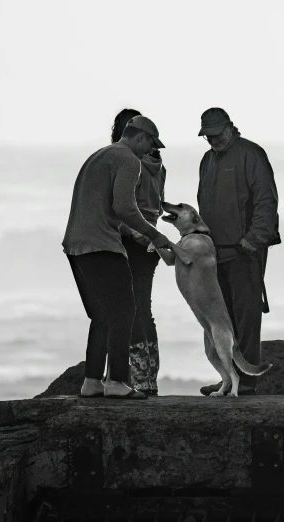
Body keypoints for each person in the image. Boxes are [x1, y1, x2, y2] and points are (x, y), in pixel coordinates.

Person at [62, 115, 172, 400]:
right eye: (149, 143)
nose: (149, 150)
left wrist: (132, 233)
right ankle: (117, 382)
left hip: (76, 246)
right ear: (139, 137)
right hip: (102, 246)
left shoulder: (98, 156)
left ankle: (92, 381)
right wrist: (155, 235)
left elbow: (101, 207)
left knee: (101, 316)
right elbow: (124, 206)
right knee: (125, 311)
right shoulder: (128, 160)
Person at [195, 108, 281, 396]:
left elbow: (266, 201)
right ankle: (229, 379)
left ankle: (248, 382)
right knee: (222, 319)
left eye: (217, 134)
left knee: (246, 316)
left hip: (245, 252)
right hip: (214, 254)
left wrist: (254, 239)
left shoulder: (251, 154)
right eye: (207, 136)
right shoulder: (207, 160)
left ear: (230, 128)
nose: (212, 140)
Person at [110, 109, 167, 396]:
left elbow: (123, 206)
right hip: (150, 241)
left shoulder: (130, 163)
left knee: (129, 308)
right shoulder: (159, 165)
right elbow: (157, 204)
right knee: (144, 307)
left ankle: (136, 378)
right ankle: (149, 376)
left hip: (132, 239)